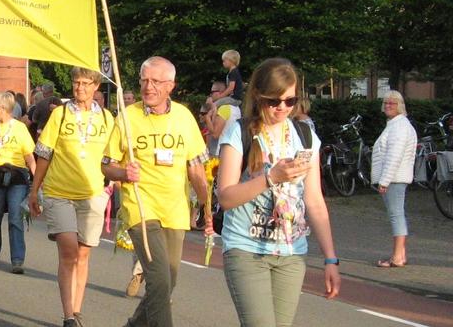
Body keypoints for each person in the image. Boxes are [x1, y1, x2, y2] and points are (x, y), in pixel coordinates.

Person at [217, 58, 340, 326]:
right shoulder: (239, 132)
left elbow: (315, 202)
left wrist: (331, 259)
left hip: (291, 252)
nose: (282, 108)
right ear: (259, 97)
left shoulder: (305, 135)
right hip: (246, 248)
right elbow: (225, 197)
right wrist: (271, 177)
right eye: (274, 101)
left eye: (290, 101)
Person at [103, 56, 212, 327]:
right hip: (140, 208)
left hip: (175, 210)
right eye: (144, 80)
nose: (148, 87)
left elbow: (197, 169)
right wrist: (123, 173)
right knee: (159, 279)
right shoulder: (127, 117)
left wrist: (206, 207)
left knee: (167, 283)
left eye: (155, 81)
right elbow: (106, 166)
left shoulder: (184, 118)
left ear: (171, 86)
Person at [28, 67, 115, 327]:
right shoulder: (60, 114)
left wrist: (115, 183)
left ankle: (77, 311)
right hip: (59, 192)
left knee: (83, 254)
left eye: (86, 83)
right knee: (68, 251)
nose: (80, 88)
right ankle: (68, 316)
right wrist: (35, 190)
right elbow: (44, 154)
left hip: (92, 194)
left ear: (96, 86)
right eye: (76, 83)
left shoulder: (107, 119)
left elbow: (112, 158)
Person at [0, 90, 36, 273]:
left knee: (15, 218)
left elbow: (29, 156)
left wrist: (37, 183)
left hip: (17, 176)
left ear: (3, 108)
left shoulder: (20, 128)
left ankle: (17, 259)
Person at [371, 90, 416, 268]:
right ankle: (401, 255)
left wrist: (384, 181)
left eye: (392, 103)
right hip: (395, 178)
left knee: (396, 215)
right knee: (397, 214)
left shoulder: (399, 127)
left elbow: (394, 157)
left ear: (400, 106)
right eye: (386, 103)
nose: (388, 105)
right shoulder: (397, 125)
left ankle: (397, 257)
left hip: (394, 178)